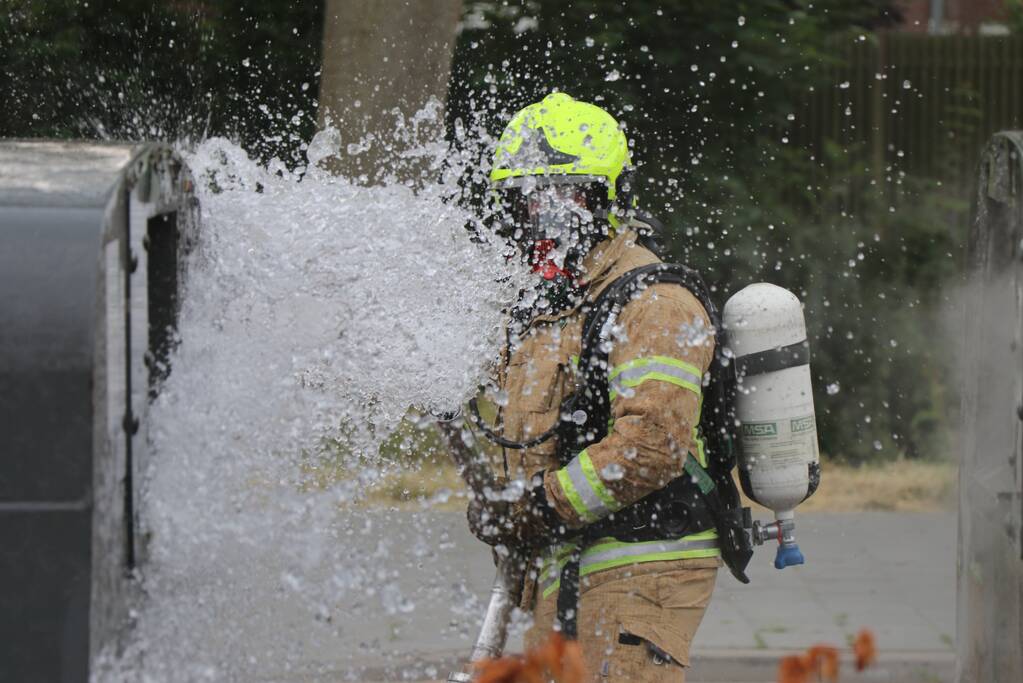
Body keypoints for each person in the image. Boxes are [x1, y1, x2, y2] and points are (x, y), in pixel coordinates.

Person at [465, 92, 750, 682]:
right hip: (571, 564)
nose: (546, 221)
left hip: (639, 566)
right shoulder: (554, 306)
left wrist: (537, 507)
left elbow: (649, 449)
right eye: (528, 202)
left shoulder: (656, 303)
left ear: (610, 199)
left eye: (565, 198)